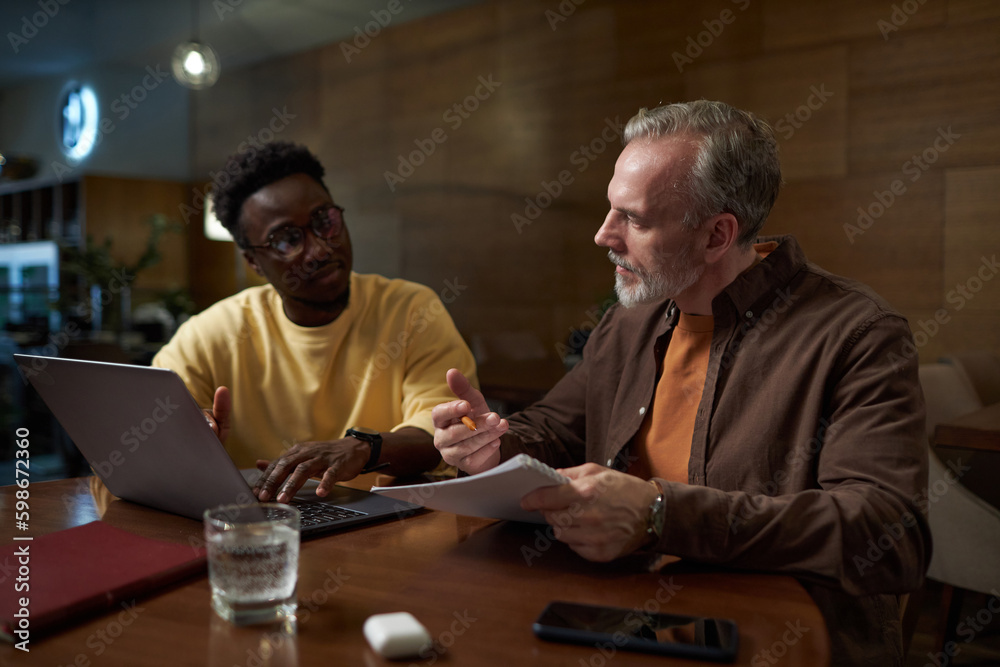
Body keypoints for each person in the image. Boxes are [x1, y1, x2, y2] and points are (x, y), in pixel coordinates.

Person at [433, 101, 929, 665]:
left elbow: (891, 535)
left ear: (718, 235)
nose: (603, 236)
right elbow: (554, 428)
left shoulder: (857, 334)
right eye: (609, 210)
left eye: (635, 219)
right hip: (612, 618)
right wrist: (494, 445)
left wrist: (660, 514)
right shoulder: (630, 319)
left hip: (775, 641)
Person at [152, 141, 477, 503]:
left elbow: (443, 438)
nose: (320, 250)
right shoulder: (210, 334)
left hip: (385, 528)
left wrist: (362, 449)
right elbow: (149, 429)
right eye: (287, 240)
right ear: (254, 263)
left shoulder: (411, 310)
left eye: (325, 221)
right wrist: (186, 434)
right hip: (257, 529)